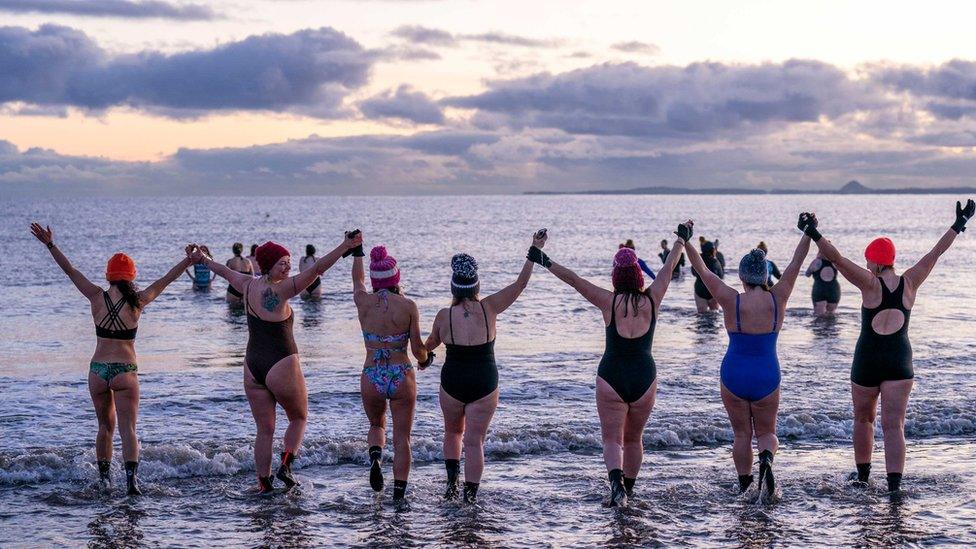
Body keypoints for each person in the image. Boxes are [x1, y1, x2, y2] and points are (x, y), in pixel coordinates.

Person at [798, 200, 975, 492]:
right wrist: (959, 224)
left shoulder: (869, 283)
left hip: (868, 359)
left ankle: (863, 478)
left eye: (869, 260)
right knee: (894, 427)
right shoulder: (910, 282)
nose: (866, 264)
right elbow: (936, 253)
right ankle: (894, 487)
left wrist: (814, 232)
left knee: (863, 419)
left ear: (877, 262)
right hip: (899, 361)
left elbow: (837, 258)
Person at [30, 223, 193, 495]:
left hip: (98, 370)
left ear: (108, 276)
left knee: (104, 427)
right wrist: (189, 259)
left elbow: (69, 271)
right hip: (125, 371)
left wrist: (50, 244)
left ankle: (104, 481)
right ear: (131, 276)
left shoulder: (96, 296)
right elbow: (167, 279)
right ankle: (132, 483)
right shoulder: (138, 301)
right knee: (128, 428)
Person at [194, 231, 363, 492]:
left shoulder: (248, 284)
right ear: (268, 265)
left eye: (288, 261)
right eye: (281, 262)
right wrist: (346, 245)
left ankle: (264, 483)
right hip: (280, 362)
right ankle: (285, 466)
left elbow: (222, 270)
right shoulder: (283, 288)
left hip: (252, 366)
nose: (286, 266)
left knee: (265, 430)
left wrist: (201, 257)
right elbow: (318, 268)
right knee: (299, 417)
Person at [534, 227, 687, 506]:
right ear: (638, 274)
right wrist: (681, 239)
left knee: (612, 440)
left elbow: (575, 280)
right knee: (633, 439)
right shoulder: (652, 299)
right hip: (644, 378)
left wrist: (543, 259)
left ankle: (616, 487)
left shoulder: (609, 301)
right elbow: (669, 265)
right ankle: (629, 488)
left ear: (615, 274)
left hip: (611, 377)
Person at [682, 217, 811, 501]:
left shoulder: (731, 299)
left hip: (734, 375)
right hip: (767, 374)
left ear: (742, 277)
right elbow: (795, 264)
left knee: (741, 435)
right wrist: (808, 233)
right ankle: (766, 458)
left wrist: (687, 240)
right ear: (765, 276)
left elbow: (702, 271)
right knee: (767, 432)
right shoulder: (779, 297)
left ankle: (744, 487)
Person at [424, 231, 546, 503]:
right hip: (484, 383)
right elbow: (520, 284)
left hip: (453, 383)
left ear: (453, 287)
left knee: (452, 433)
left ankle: (451, 485)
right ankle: (470, 496)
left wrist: (423, 358)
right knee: (474, 442)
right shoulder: (490, 307)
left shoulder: (444, 316)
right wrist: (534, 250)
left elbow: (429, 345)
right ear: (476, 285)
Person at [353, 245, 430, 501]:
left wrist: (357, 253)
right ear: (396, 278)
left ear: (375, 281)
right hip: (400, 373)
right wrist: (426, 359)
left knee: (376, 425)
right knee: (402, 438)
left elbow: (357, 279)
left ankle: (375, 457)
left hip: (372, 372)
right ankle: (398, 496)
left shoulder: (363, 301)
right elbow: (418, 349)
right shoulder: (408, 306)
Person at [691, 240, 724, 312]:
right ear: (712, 250)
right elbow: (721, 276)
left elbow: (693, 273)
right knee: (714, 314)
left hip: (700, 290)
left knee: (701, 314)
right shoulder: (715, 262)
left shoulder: (697, 260)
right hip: (713, 292)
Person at [805, 251, 841, 316]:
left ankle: (819, 326)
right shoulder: (835, 262)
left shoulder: (816, 262)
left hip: (819, 289)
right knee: (831, 315)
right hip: (833, 289)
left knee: (818, 315)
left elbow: (807, 274)